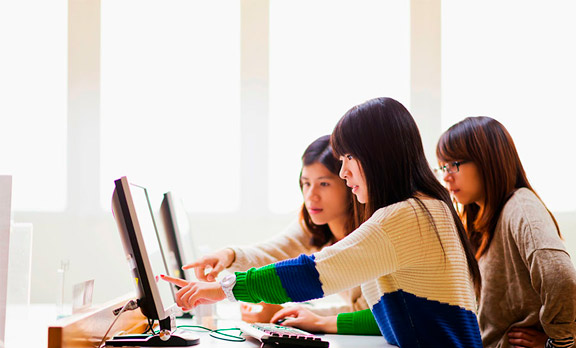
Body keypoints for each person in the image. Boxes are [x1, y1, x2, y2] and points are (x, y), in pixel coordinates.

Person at [163, 97, 483, 347]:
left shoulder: (405, 216)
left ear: (376, 157)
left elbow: (314, 272)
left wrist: (224, 288)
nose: (345, 173)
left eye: (348, 160)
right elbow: (393, 317)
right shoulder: (425, 208)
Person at [185, 135, 368, 322]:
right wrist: (227, 255)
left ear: (349, 183)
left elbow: (368, 311)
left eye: (324, 184)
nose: (311, 195)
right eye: (306, 183)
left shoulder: (370, 234)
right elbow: (273, 252)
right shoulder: (315, 227)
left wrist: (286, 313)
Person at [436, 116, 576, 348]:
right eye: (443, 167)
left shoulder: (521, 207)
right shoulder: (482, 219)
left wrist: (558, 343)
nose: (446, 176)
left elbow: (562, 277)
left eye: (455, 164)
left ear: (487, 160)